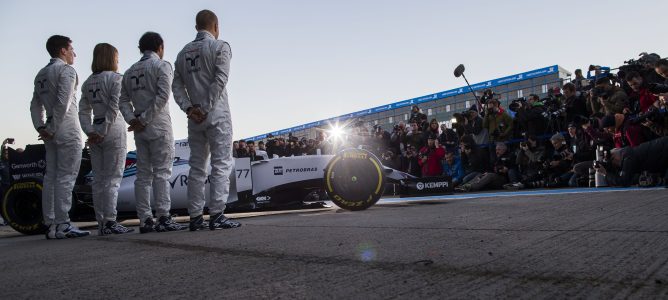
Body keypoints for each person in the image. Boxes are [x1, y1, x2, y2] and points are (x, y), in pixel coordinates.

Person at [173, 10, 241, 230]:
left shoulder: (182, 53)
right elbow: (221, 79)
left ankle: (194, 217)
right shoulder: (221, 46)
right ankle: (217, 215)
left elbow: (177, 87)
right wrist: (205, 107)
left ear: (196, 27)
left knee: (196, 166)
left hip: (195, 118)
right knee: (221, 163)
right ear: (216, 26)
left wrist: (190, 108)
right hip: (216, 114)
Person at [120, 32, 187, 233]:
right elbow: (163, 96)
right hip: (158, 126)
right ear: (160, 46)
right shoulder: (162, 65)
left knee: (143, 175)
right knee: (162, 174)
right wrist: (142, 119)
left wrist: (132, 119)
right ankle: (164, 217)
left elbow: (122, 100)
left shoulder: (130, 71)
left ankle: (145, 220)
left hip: (140, 129)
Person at [29, 35, 90, 239]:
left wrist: (41, 127)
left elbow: (35, 104)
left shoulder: (40, 74)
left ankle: (51, 223)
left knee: (51, 177)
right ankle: (63, 223)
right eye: (71, 48)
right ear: (63, 50)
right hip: (66, 129)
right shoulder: (66, 70)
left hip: (50, 131)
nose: (74, 53)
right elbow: (63, 101)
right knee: (66, 176)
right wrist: (52, 127)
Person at [78, 43, 133, 235]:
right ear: (111, 59)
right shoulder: (117, 78)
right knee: (112, 179)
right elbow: (114, 107)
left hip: (95, 131)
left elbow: (83, 111)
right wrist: (102, 130)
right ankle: (110, 221)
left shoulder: (87, 82)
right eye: (116, 58)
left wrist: (90, 131)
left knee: (99, 180)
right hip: (112, 130)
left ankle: (101, 221)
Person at [595, 136, 668, 187]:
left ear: (614, 157)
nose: (615, 165)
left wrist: (605, 174)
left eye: (612, 162)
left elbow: (624, 181)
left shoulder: (628, 158)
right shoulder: (628, 153)